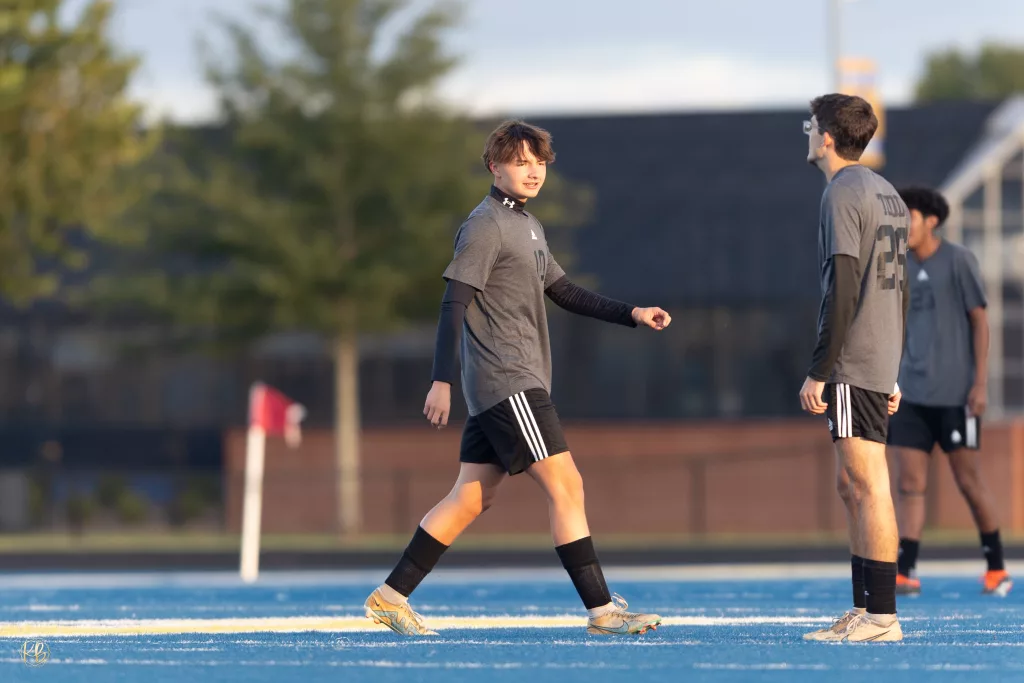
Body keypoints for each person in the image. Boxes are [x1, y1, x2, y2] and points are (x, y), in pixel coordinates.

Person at [364, 120, 671, 636]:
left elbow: (565, 291)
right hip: (508, 380)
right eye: (521, 161)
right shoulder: (485, 225)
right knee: (566, 484)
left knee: (471, 497)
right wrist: (440, 380)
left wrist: (632, 313)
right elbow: (453, 304)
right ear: (495, 166)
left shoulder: (527, 225)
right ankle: (602, 612)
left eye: (540, 162)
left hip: (504, 385)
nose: (533, 171)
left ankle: (390, 597)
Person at [798, 94, 909, 643]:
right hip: (875, 357)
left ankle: (881, 617)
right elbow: (897, 291)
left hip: (853, 359)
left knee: (868, 484)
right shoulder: (888, 193)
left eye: (809, 126)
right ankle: (865, 609)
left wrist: (821, 368)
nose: (806, 134)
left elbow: (843, 287)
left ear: (826, 137)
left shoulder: (842, 191)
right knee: (853, 486)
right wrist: (892, 365)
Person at [888, 186, 1012, 597]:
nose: (903, 225)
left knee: (968, 481)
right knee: (909, 483)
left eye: (909, 216)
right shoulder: (898, 265)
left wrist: (979, 384)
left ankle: (996, 566)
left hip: (957, 397)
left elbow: (980, 321)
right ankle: (905, 570)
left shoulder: (959, 260)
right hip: (910, 394)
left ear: (931, 221)